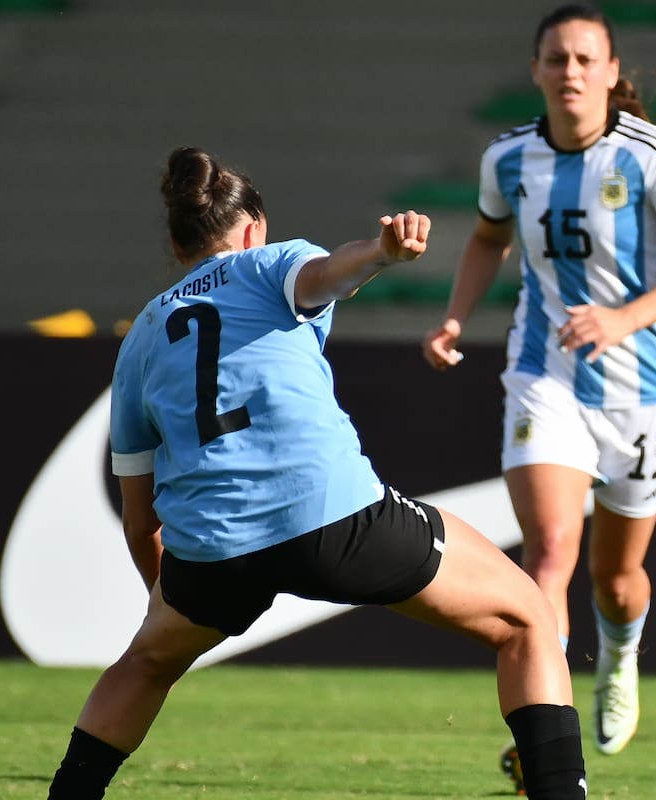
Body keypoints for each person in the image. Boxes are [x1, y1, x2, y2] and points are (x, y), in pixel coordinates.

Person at [45, 146, 588, 800]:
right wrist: (383, 254)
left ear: (176, 239)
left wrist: (175, 599)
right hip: (333, 519)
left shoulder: (140, 340)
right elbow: (329, 272)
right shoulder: (268, 261)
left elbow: (140, 521)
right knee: (527, 616)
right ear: (251, 230)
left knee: (143, 664)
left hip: (212, 555)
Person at [422, 2, 656, 765]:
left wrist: (623, 320)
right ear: (535, 70)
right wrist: (457, 317)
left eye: (586, 60)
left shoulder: (652, 155)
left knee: (616, 578)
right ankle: (542, 739)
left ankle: (618, 660)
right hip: (545, 372)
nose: (570, 73)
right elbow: (489, 239)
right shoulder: (508, 159)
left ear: (612, 73)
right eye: (556, 59)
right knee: (550, 554)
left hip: (645, 386)